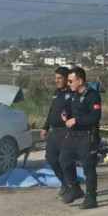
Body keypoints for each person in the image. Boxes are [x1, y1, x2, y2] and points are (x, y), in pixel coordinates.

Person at [60, 67, 101, 210]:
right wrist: (67, 115)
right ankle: (75, 188)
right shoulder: (74, 95)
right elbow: (74, 110)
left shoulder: (92, 95)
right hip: (73, 136)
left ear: (80, 80)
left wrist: (76, 120)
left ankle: (91, 198)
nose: (69, 83)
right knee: (64, 160)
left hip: (87, 136)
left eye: (71, 81)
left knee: (88, 168)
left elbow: (95, 117)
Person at [40, 67, 73, 197]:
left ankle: (72, 186)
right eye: (56, 78)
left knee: (64, 160)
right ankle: (64, 183)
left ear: (66, 78)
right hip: (53, 132)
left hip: (65, 132)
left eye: (60, 78)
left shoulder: (72, 93)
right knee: (50, 158)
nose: (57, 81)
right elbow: (51, 111)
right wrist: (45, 127)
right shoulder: (56, 92)